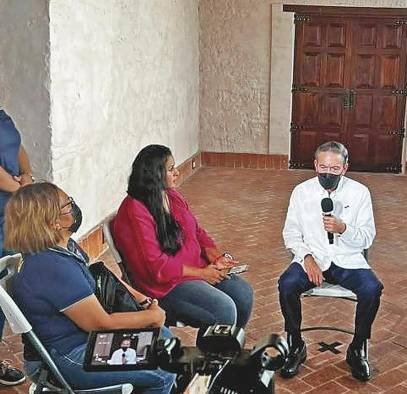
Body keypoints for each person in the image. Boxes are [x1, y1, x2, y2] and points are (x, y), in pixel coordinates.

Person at [5, 183, 176, 393]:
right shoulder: (50, 267)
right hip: (70, 354)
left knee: (166, 340)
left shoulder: (64, 247)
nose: (74, 207)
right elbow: (102, 324)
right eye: (68, 205)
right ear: (53, 221)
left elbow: (98, 275)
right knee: (165, 367)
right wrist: (152, 317)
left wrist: (142, 301)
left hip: (81, 340)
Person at [111, 144, 253, 329]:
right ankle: (214, 356)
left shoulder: (171, 196)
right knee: (224, 309)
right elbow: (156, 266)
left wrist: (216, 257)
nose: (177, 172)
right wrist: (202, 274)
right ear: (154, 174)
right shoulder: (135, 209)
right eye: (170, 169)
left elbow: (197, 231)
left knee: (243, 295)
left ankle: (224, 351)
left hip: (194, 269)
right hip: (165, 286)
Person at [278, 141, 383, 382]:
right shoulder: (301, 192)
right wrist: (306, 258)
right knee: (286, 285)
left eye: (334, 169)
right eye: (323, 167)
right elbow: (291, 233)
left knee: (372, 288)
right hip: (312, 258)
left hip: (348, 260)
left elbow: (368, 236)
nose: (328, 173)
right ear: (315, 165)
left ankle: (357, 348)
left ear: (345, 167)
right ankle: (295, 344)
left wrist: (343, 228)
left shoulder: (360, 193)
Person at [0, 107, 33, 386]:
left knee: (1, 287)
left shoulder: (2, 115)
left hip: (8, 212)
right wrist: (17, 186)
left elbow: (17, 145)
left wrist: (27, 174)